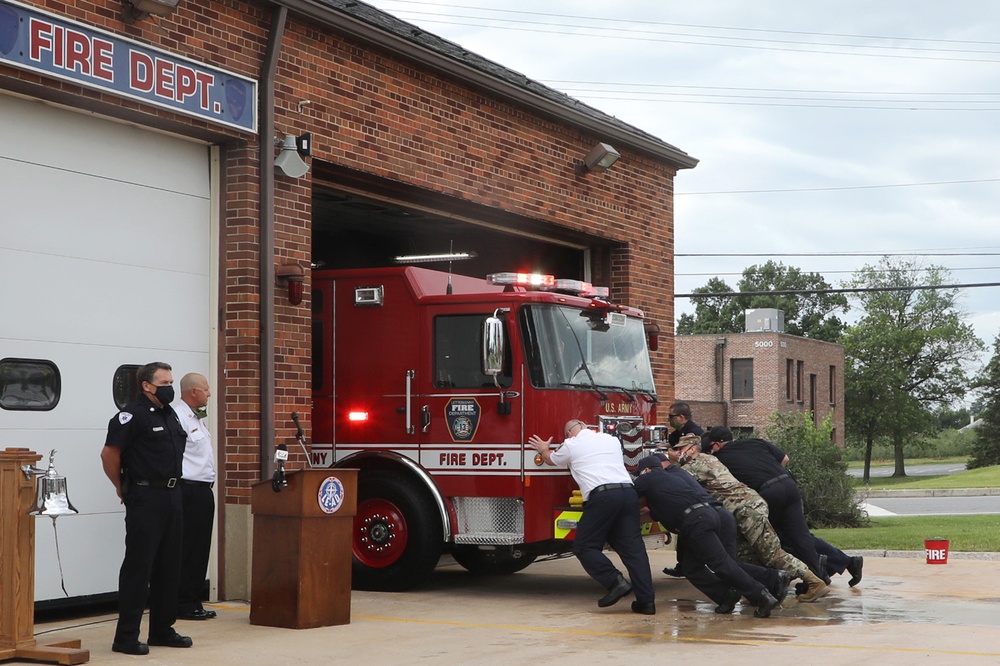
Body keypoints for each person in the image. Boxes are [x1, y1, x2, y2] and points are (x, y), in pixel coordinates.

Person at [100, 362, 193, 655]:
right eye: (164, 382)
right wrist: (121, 487)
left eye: (171, 381)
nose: (169, 387)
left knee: (169, 565)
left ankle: (163, 629)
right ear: (146, 385)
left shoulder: (170, 414)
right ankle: (126, 636)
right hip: (145, 495)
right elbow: (109, 454)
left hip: (173, 494)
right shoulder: (131, 416)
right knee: (140, 567)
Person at [667, 434, 830, 602]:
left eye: (680, 449)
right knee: (745, 554)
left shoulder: (696, 465)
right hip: (745, 509)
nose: (677, 452)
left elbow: (675, 479)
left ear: (692, 449)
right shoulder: (708, 459)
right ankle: (769, 587)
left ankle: (814, 582)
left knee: (771, 553)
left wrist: (665, 459)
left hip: (747, 510)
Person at [633, 454, 788, 618]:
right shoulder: (670, 481)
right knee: (691, 567)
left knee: (722, 563)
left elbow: (630, 498)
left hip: (696, 522)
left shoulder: (647, 479)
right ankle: (725, 596)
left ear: (647, 470)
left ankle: (762, 595)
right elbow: (652, 512)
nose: (638, 477)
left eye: (639, 473)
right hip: (706, 515)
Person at [527, 419, 656, 615]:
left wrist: (544, 449)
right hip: (628, 494)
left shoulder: (572, 444)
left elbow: (551, 459)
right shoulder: (611, 440)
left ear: (570, 432)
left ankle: (615, 582)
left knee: (584, 546)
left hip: (603, 497)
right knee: (633, 550)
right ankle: (646, 602)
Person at [703, 426, 825, 581]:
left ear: (717, 445)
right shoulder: (756, 442)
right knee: (801, 536)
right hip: (789, 485)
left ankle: (773, 580)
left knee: (763, 538)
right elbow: (785, 459)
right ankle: (819, 578)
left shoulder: (720, 460)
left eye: (710, 447)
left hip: (768, 492)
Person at [173, 373, 218, 621]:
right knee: (189, 548)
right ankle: (184, 602)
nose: (209, 394)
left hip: (202, 489)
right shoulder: (178, 416)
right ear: (193, 392)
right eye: (206, 390)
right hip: (188, 489)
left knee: (199, 548)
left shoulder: (197, 417)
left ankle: (192, 599)